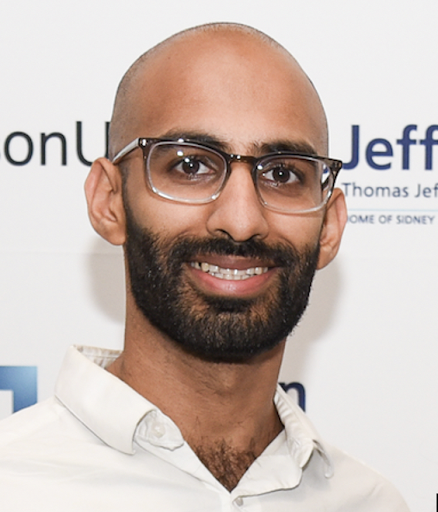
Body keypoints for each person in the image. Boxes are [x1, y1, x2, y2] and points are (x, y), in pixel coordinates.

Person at [0, 23, 409, 511]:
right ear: (109, 201)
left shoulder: (371, 503)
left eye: (282, 173)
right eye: (190, 165)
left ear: (329, 226)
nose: (241, 221)